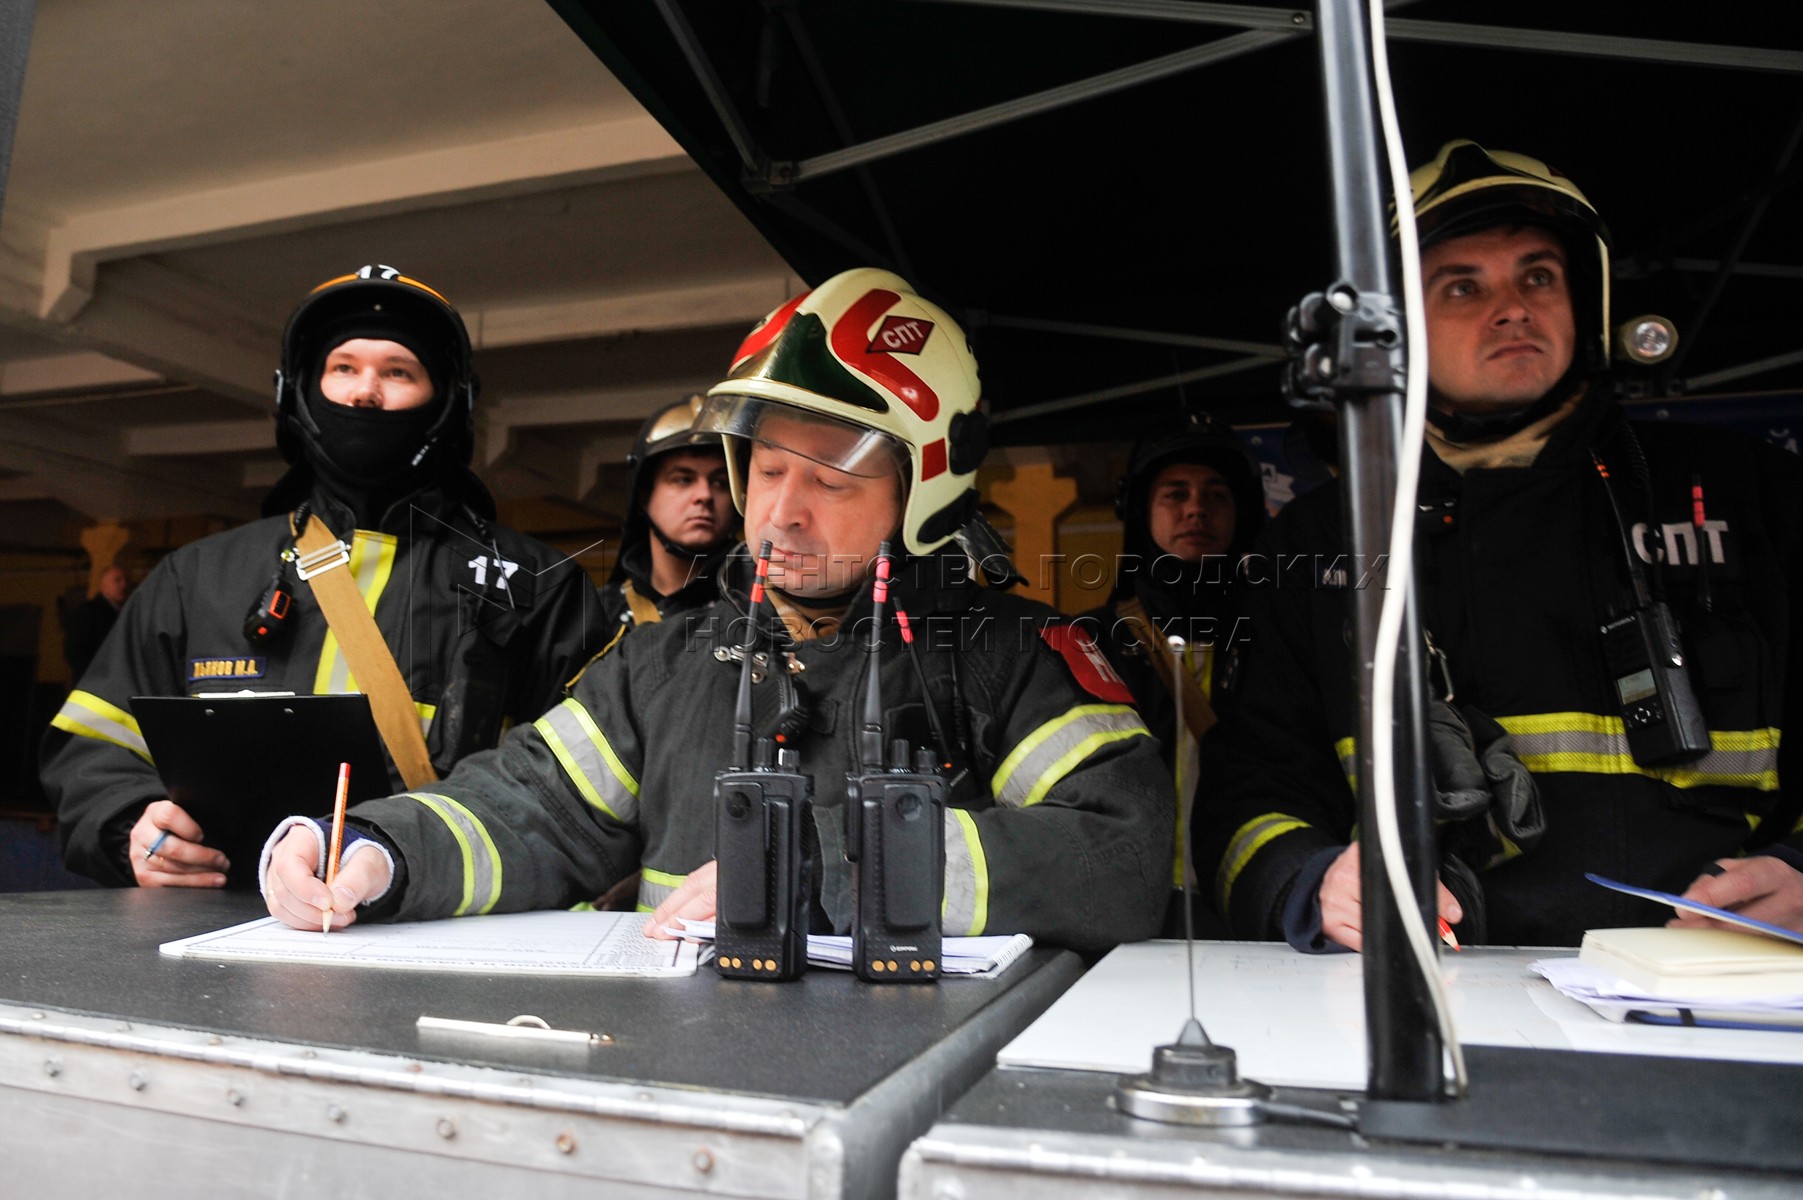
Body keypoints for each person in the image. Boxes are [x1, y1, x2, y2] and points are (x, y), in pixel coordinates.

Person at [261, 267, 1173, 956]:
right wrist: (379, 851)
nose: (782, 510)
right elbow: (530, 807)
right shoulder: (667, 661)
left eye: (829, 478)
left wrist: (829, 867)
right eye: (768, 470)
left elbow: (1121, 860)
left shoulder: (1012, 655)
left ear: (924, 492)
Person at [1196, 141, 1803, 950]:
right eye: (1462, 286)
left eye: (1538, 276)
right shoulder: (1315, 545)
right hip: (1439, 1003)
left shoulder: (1752, 491)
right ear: (1395, 330)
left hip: (1735, 995)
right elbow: (1246, 788)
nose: (1513, 307)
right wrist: (1309, 882)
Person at [43, 265, 601, 890]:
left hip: (429, 936)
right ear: (300, 392)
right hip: (208, 937)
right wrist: (130, 829)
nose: (366, 393)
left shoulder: (537, 587)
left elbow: (585, 795)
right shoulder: (196, 577)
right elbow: (93, 745)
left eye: (398, 372)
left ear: (449, 401)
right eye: (343, 368)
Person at [1077, 412, 1266, 934]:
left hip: (1254, 906)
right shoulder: (1092, 641)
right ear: (1139, 511)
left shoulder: (1279, 637)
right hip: (1131, 910)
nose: (1196, 509)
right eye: (1174, 493)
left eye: (1216, 495)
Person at [594, 395, 737, 656]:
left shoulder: (761, 609)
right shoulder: (595, 615)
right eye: (683, 479)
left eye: (721, 483)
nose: (704, 495)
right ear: (644, 495)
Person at [62, 565, 129, 682]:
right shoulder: (88, 612)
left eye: (126, 580)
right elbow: (75, 652)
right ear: (103, 586)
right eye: (117, 580)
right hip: (95, 684)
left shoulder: (125, 614)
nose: (124, 585)